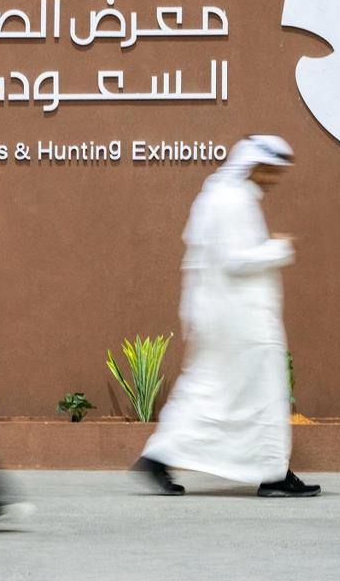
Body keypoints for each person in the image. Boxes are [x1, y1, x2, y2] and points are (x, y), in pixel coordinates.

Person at [134, 135, 321, 498]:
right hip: (241, 323)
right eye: (271, 169)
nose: (274, 178)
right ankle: (273, 475)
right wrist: (279, 248)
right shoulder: (234, 200)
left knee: (208, 393)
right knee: (263, 394)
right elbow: (235, 260)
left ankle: (158, 457)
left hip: (222, 320)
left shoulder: (218, 195)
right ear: (255, 164)